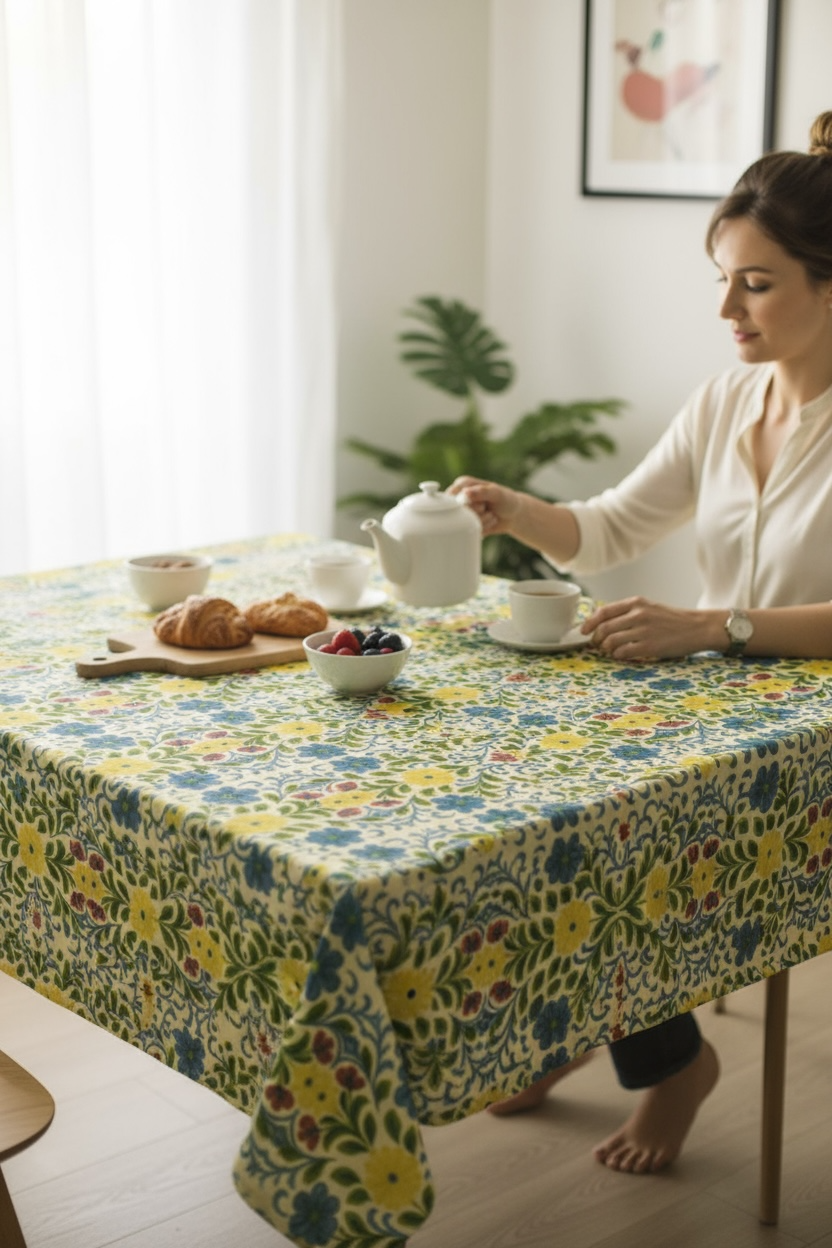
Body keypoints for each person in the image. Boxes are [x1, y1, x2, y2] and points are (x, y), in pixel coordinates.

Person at [449, 109, 832, 1175]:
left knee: (618, 837)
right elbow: (611, 529)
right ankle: (580, 1026)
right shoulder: (723, 401)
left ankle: (663, 1063)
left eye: (753, 284)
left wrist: (714, 627)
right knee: (529, 794)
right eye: (722, 279)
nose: (725, 308)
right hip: (721, 707)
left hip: (813, 731)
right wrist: (511, 509)